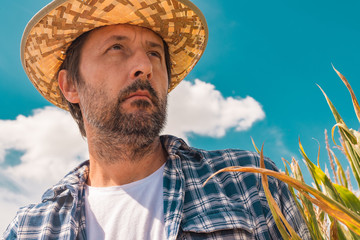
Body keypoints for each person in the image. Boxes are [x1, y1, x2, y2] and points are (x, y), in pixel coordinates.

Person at [4, 0, 311, 239]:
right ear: (70, 85)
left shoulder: (249, 183)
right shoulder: (32, 228)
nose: (143, 66)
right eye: (116, 48)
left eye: (154, 53)